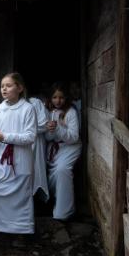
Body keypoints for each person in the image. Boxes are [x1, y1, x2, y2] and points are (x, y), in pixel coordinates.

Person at [0, 72, 37, 236]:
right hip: (1, 158)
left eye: (8, 85)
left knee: (20, 196)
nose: (4, 89)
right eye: (2, 86)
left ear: (20, 88)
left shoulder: (27, 109)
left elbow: (30, 137)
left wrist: (5, 137)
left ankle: (21, 231)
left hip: (20, 159)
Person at [45, 82, 81, 220]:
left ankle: (64, 211)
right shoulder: (48, 112)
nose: (58, 101)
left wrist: (59, 128)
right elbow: (48, 138)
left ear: (66, 98)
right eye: (54, 97)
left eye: (61, 97)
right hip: (55, 149)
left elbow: (73, 137)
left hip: (70, 147)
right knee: (52, 174)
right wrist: (50, 129)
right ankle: (54, 200)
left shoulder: (71, 112)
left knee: (62, 170)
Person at [29, 95, 50, 201]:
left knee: (37, 168)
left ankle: (38, 197)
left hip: (36, 142)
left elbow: (44, 124)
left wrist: (27, 130)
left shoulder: (35, 102)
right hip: (20, 143)